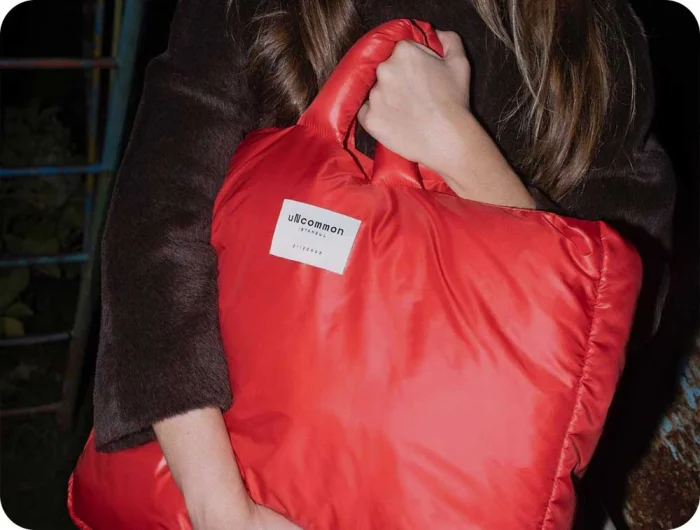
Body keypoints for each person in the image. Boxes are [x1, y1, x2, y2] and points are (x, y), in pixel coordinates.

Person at [92, 0, 675, 528]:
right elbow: (159, 219)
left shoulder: (596, 30)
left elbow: (620, 308)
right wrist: (219, 507)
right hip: (222, 470)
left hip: (461, 484)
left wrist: (460, 149)